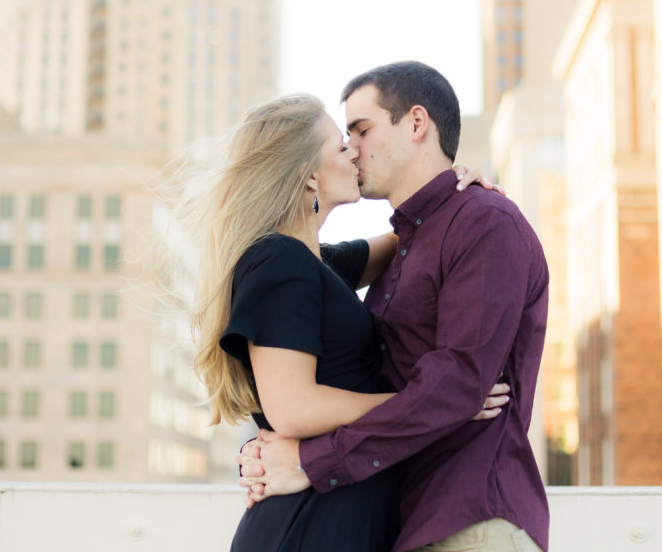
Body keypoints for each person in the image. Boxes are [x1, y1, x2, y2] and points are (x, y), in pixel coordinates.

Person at [240, 62, 550, 552]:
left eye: (362, 130)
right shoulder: (386, 251)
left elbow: (459, 385)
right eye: (343, 138)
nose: (352, 149)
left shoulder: (485, 222)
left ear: (416, 123)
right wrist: (266, 449)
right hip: (396, 520)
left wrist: (310, 460)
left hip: (468, 519)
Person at [184, 93, 507, 552]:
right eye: (340, 146)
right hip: (312, 524)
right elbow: (293, 408)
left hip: (338, 513)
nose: (354, 151)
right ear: (309, 176)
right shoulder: (278, 261)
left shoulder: (318, 264)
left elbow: (411, 236)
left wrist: (457, 186)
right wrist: (435, 404)